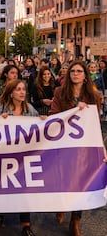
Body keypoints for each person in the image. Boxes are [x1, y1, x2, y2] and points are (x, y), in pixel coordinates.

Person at [49, 60, 103, 236]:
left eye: (79, 71)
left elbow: (95, 124)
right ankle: (61, 205)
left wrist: (102, 147)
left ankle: (76, 221)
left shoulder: (94, 97)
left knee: (81, 183)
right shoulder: (59, 92)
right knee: (63, 180)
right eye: (73, 71)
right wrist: (74, 109)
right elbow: (53, 116)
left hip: (83, 147)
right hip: (63, 145)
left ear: (85, 76)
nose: (75, 74)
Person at [0, 79, 39, 236]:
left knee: (24, 187)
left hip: (23, 156)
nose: (22, 92)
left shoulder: (29, 109)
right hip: (5, 154)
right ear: (11, 93)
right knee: (3, 184)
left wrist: (43, 121)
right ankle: (0, 212)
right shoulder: (1, 108)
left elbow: (39, 127)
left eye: (23, 89)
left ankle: (25, 224)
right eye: (18, 89)